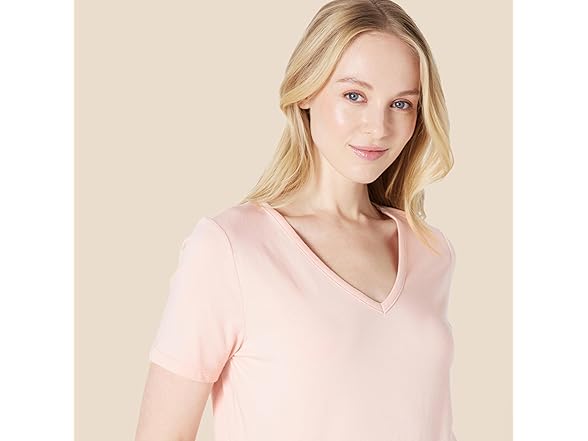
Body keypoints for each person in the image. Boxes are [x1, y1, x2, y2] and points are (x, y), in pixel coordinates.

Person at [135, 0, 457, 440]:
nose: (378, 127)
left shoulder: (430, 251)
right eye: (354, 96)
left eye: (401, 103)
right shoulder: (230, 248)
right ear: (306, 90)